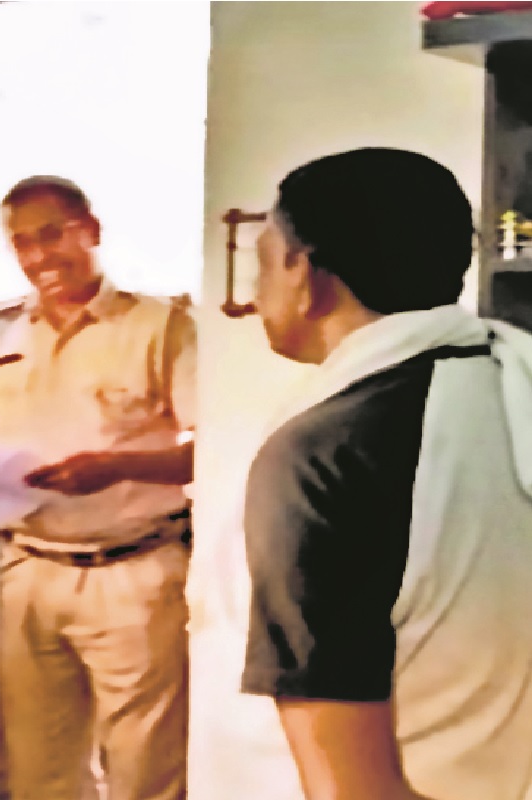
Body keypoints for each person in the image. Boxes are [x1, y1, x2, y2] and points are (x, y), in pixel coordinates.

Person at [239, 148, 532, 800]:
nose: (256, 294)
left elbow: (350, 787)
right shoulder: (509, 384)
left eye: (263, 264)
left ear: (306, 274)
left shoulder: (326, 452)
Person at [0, 176, 196, 800]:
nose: (39, 256)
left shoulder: (161, 325)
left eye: (53, 235)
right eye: (22, 243)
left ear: (91, 231)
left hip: (134, 569)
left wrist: (115, 467)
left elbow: (209, 449)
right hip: (23, 567)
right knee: (40, 767)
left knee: (145, 767)